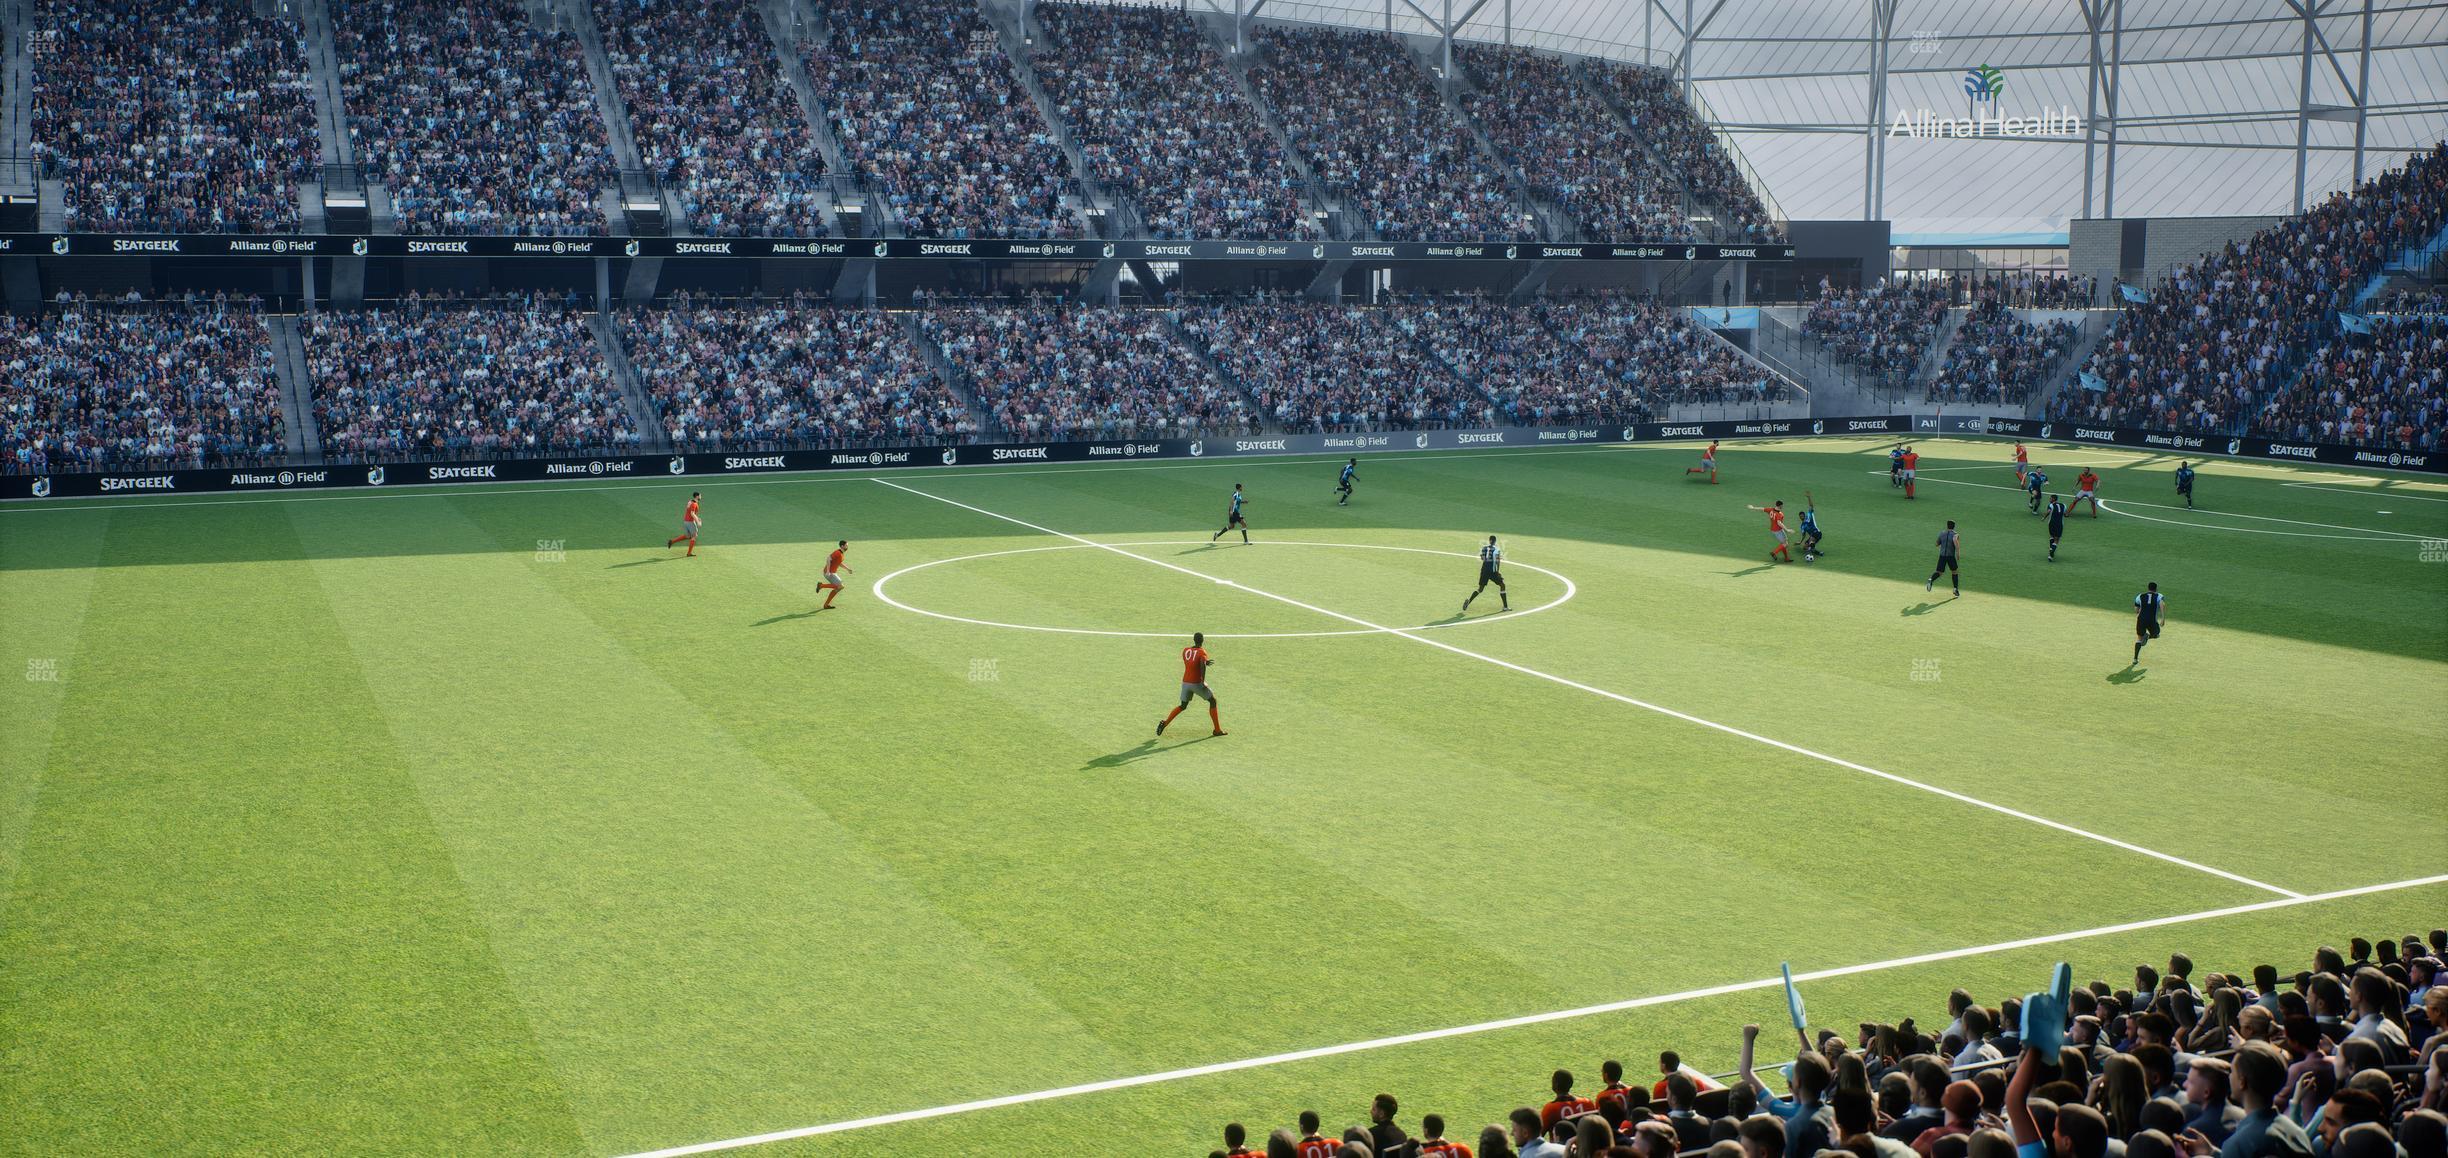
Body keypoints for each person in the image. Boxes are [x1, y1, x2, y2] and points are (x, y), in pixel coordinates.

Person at [1160, 632, 1225, 737]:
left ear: (1194, 640)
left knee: (1183, 705)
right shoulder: (1202, 652)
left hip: (1185, 683)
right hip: (1196, 683)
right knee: (1212, 701)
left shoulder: (1185, 651)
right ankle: (1217, 730)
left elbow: (1191, 663)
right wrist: (1203, 680)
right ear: (1202, 640)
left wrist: (1204, 662)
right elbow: (1201, 667)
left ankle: (1165, 722)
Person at [1465, 535, 1510, 611]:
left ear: (1489, 541)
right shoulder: (1497, 549)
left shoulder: (1484, 548)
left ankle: (1469, 601)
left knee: (1480, 589)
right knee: (1502, 585)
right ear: (1495, 541)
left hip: (1484, 570)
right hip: (1493, 572)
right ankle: (1505, 607)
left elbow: (1482, 558)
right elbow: (1497, 561)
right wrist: (1497, 571)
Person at [2133, 582, 2165, 665]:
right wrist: (2163, 617)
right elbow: (2162, 604)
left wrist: (2139, 614)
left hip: (2141, 619)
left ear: (2148, 588)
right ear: (2156, 589)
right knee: (2156, 634)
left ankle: (2135, 659)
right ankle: (2147, 637)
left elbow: (2136, 609)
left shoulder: (2140, 596)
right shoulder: (2159, 596)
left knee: (2139, 639)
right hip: (2152, 620)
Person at [1928, 520, 1962, 595]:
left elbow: (1937, 544)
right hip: (1950, 556)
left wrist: (1942, 547)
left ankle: (1931, 579)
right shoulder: (1955, 535)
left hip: (1942, 556)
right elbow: (1956, 542)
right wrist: (1958, 553)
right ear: (1954, 526)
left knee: (1939, 572)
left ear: (1947, 526)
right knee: (1955, 571)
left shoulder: (1942, 533)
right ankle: (1955, 589)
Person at [818, 540, 852, 609]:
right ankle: (821, 585)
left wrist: (847, 569)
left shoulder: (841, 554)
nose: (847, 547)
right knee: (839, 586)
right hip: (829, 573)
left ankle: (826, 605)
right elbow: (828, 559)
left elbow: (839, 563)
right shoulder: (837, 553)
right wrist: (828, 571)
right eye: (846, 545)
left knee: (839, 587)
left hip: (833, 573)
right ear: (842, 546)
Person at [667, 491, 703, 555]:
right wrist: (698, 522)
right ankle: (689, 553)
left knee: (688, 536)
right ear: (697, 496)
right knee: (694, 536)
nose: (701, 497)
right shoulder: (694, 504)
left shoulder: (690, 501)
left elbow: (690, 512)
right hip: (690, 522)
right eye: (700, 495)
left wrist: (697, 518)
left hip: (685, 521)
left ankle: (672, 541)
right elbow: (692, 513)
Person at [1799, 491, 1825, 560]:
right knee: (1805, 547)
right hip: (1812, 535)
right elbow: (1803, 535)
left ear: (1804, 515)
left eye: (1802, 516)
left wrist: (1809, 497)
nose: (1802, 517)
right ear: (1799, 517)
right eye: (1800, 516)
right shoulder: (1802, 526)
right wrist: (1800, 542)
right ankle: (1815, 551)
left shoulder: (1809, 515)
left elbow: (1811, 506)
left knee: (1811, 540)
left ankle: (1813, 551)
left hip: (1817, 532)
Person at [2046, 495, 2068, 561]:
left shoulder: (2050, 505)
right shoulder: (2063, 505)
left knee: (2052, 536)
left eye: (2050, 498)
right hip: (2059, 524)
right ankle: (2051, 552)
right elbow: (2065, 514)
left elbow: (2048, 512)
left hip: (2051, 523)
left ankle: (2051, 551)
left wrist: (2044, 517)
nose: (2049, 499)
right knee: (2056, 540)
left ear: (2053, 499)